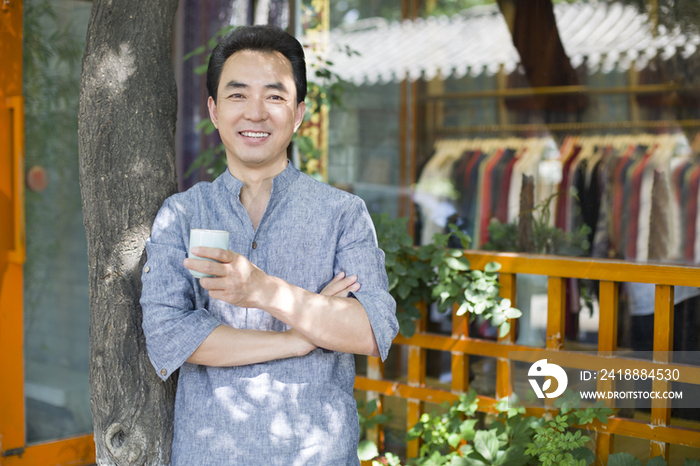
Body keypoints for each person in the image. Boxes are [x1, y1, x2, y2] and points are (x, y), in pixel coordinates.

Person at [140, 25, 398, 465]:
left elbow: (373, 331)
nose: (255, 113)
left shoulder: (342, 213)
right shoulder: (183, 214)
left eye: (275, 96)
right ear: (214, 110)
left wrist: (262, 291)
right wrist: (300, 339)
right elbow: (168, 339)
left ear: (298, 114)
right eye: (238, 95)